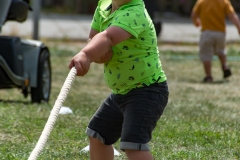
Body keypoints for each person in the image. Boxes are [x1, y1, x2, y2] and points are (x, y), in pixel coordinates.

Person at [68, 0, 169, 159]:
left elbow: (108, 37)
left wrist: (86, 55)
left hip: (147, 91)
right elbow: (95, 39)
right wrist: (98, 55)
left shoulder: (135, 12)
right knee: (97, 135)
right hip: (121, 92)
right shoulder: (103, 6)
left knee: (133, 145)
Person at [191, 0, 240, 82]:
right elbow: (232, 16)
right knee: (221, 51)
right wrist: (238, 27)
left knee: (206, 55)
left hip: (207, 33)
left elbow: (194, 14)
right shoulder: (224, 1)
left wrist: (196, 22)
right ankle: (224, 65)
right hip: (221, 33)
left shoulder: (202, 2)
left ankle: (209, 76)